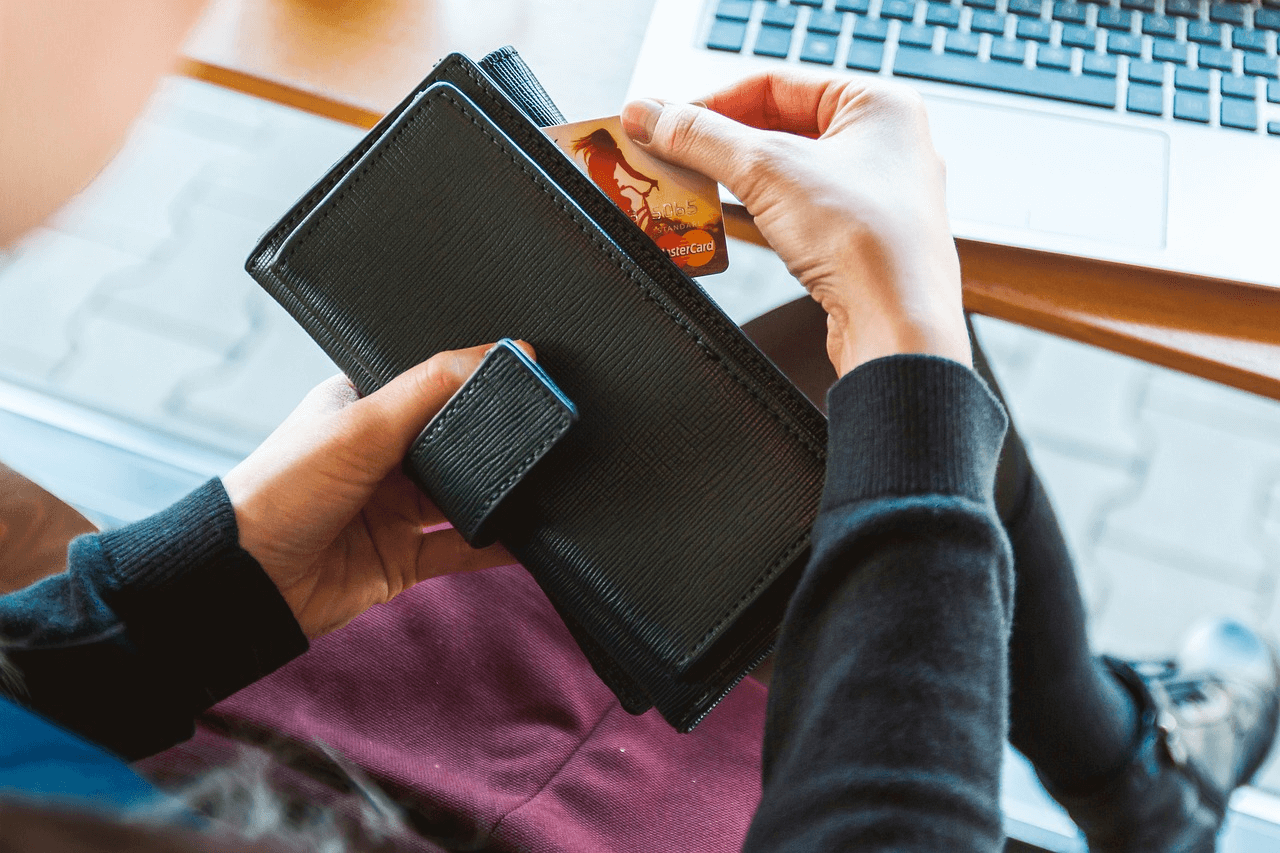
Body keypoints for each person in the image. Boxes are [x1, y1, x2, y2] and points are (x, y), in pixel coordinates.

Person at [0, 6, 1276, 853]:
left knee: (827, 397)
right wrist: (908, 338)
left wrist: (192, 592)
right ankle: (1133, 780)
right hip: (390, 783)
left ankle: (1129, 774)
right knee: (896, 406)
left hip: (225, 705)